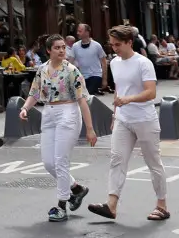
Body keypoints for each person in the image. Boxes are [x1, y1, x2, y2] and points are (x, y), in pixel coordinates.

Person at [88, 26, 169, 222]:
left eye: (118, 44)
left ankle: (162, 205)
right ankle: (111, 205)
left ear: (129, 42)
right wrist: (115, 114)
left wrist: (129, 99)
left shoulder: (143, 63)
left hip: (144, 119)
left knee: (153, 162)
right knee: (117, 159)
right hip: (123, 119)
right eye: (112, 44)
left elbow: (151, 92)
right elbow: (119, 89)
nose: (114, 48)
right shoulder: (115, 63)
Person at [19, 34, 98, 223]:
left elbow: (82, 101)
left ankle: (62, 206)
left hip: (68, 113)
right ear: (48, 51)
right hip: (48, 114)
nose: (62, 50)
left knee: (61, 161)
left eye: (63, 47)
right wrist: (24, 108)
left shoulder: (72, 71)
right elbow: (34, 93)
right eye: (57, 48)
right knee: (48, 162)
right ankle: (77, 189)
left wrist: (90, 128)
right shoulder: (42, 70)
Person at [70, 24, 108, 95]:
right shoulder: (75, 46)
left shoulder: (97, 45)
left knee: (88, 94)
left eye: (80, 31)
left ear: (87, 32)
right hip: (82, 77)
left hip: (96, 75)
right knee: (84, 97)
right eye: (77, 31)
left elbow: (104, 63)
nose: (77, 33)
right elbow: (70, 63)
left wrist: (104, 80)